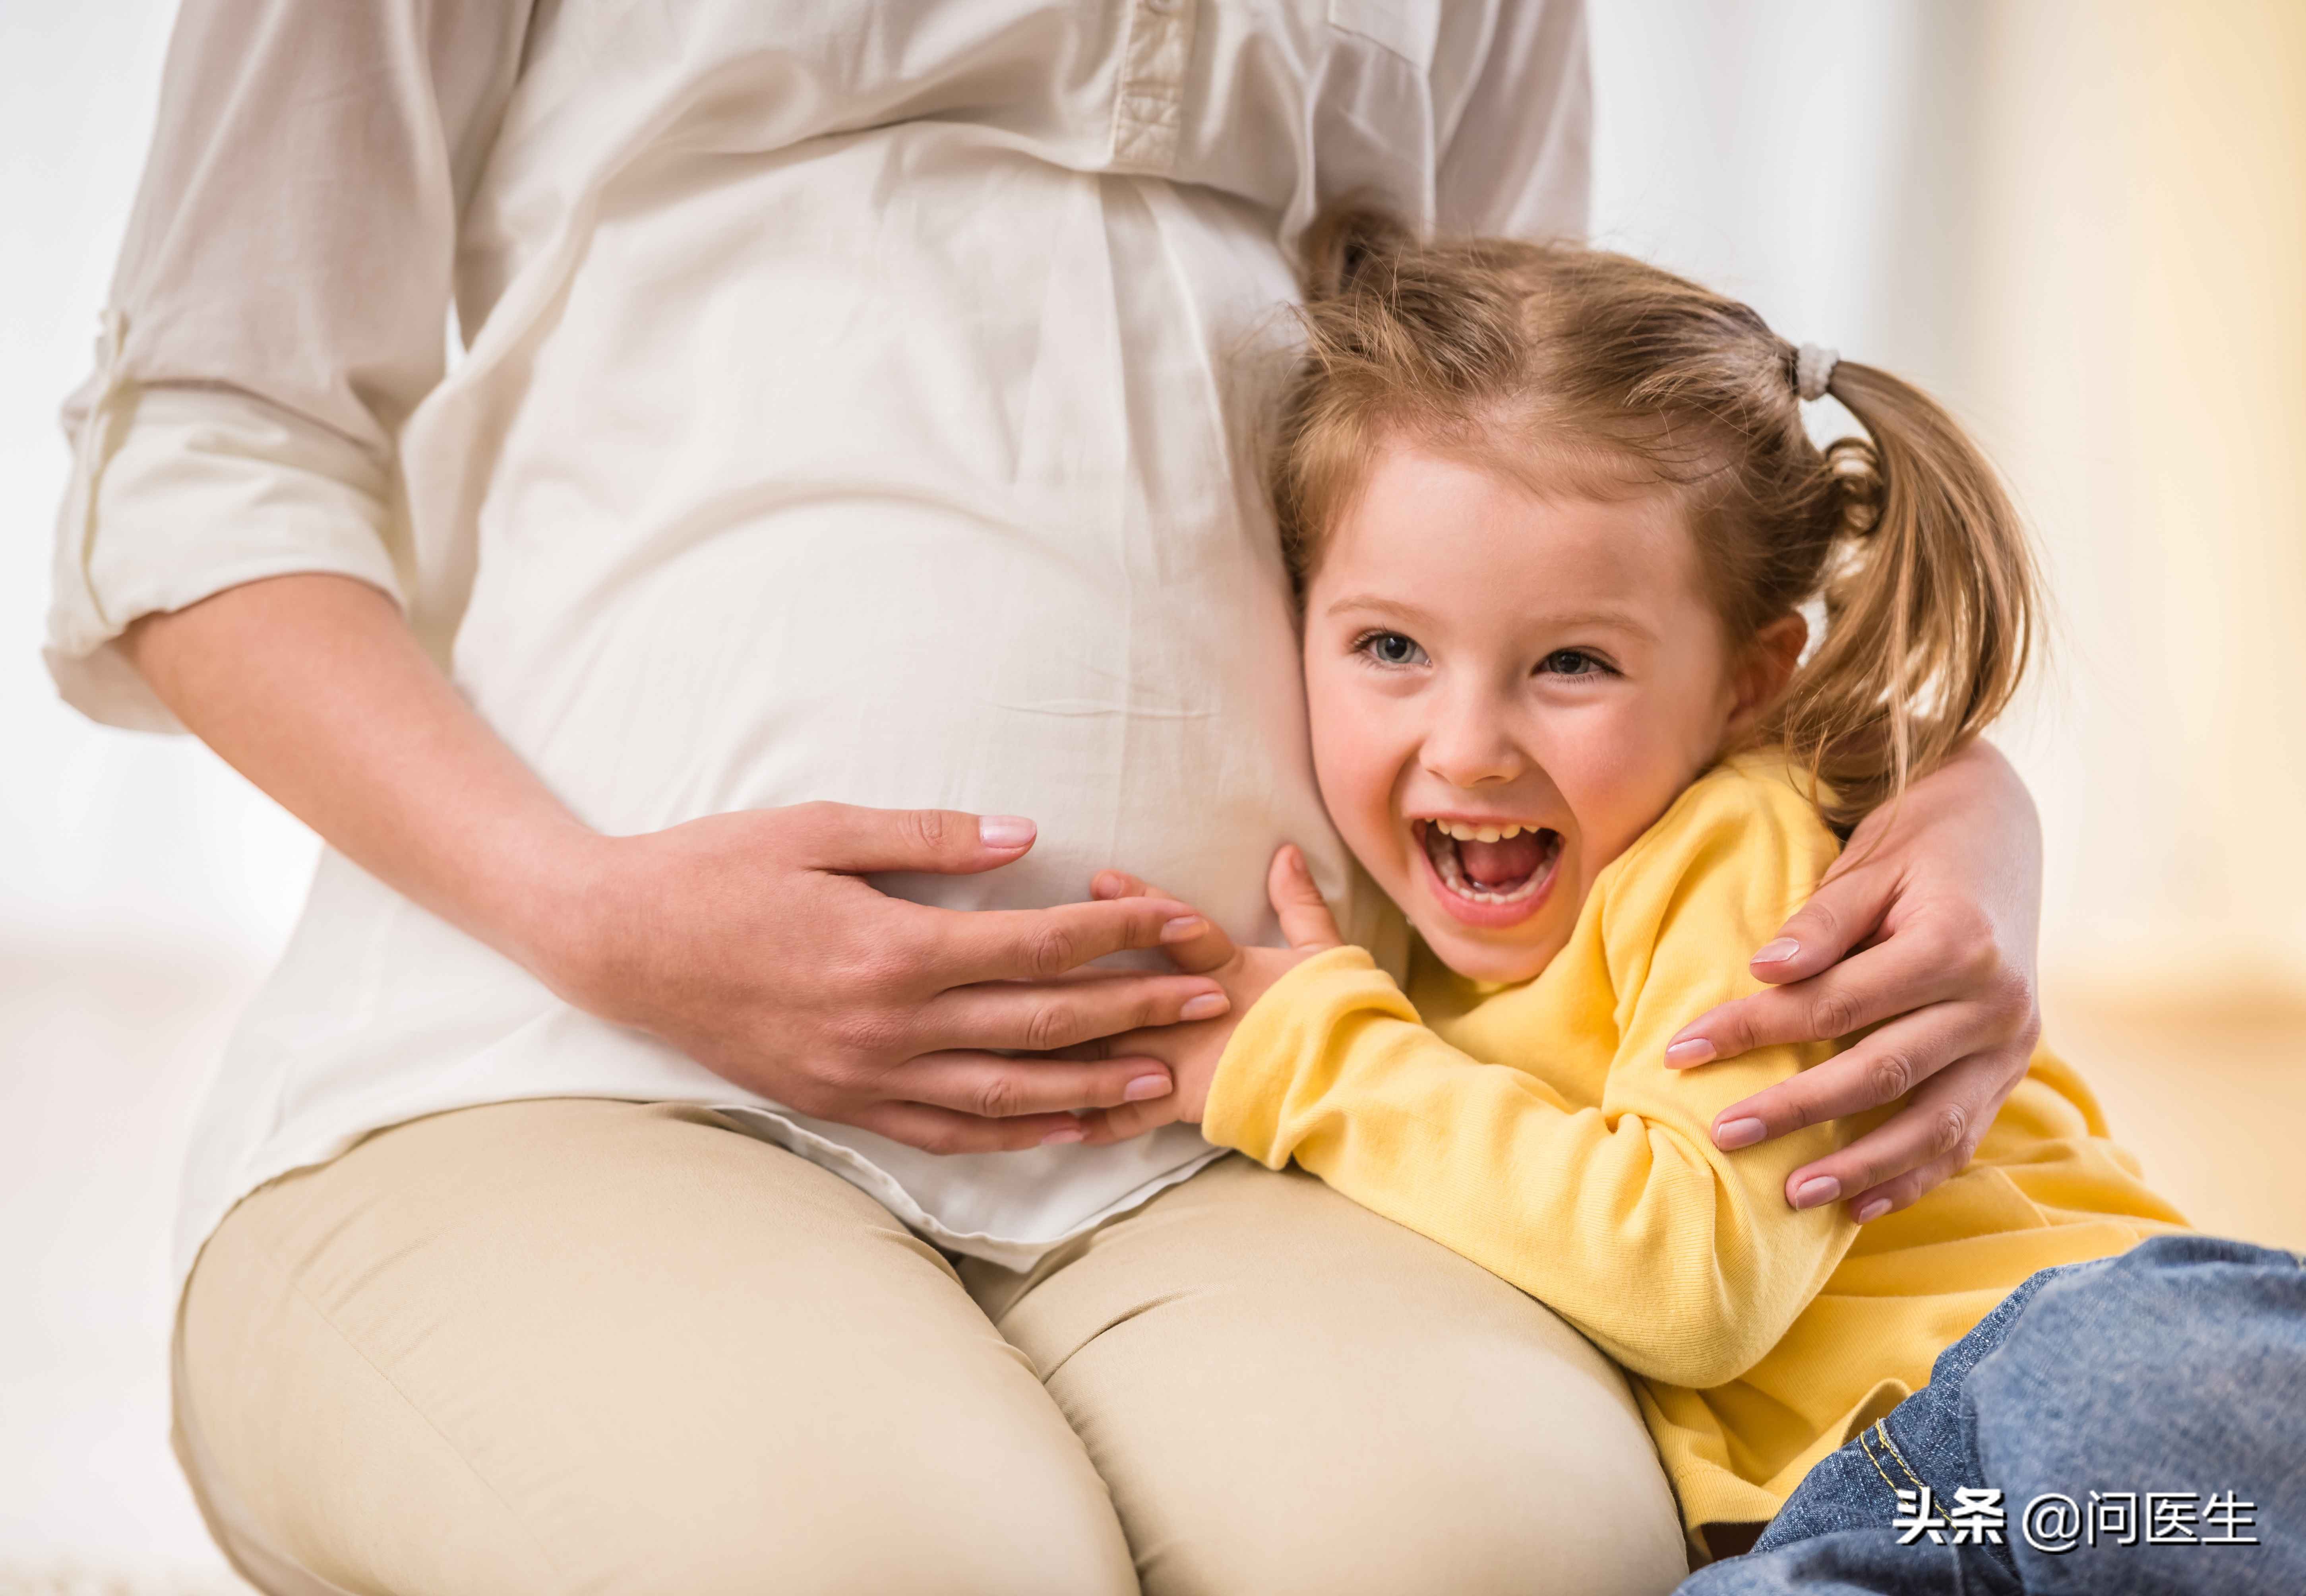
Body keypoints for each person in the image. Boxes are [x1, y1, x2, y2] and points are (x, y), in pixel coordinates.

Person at [49, 5, 2048, 1592]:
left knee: (1520, 1553)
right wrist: (590, 911)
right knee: (902, 1569)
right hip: (557, 1056)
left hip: (1255, 1135)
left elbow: (1571, 480)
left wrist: (1961, 811)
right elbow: (213, 450)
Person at [1060, 216, 2294, 1584]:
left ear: (1749, 680)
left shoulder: (1732, 846)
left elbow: (1691, 1278)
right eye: (1391, 646)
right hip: (1841, 1522)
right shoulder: (1405, 929)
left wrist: (1302, 1058)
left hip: (2055, 1378)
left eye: (1573, 663)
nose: (1467, 743)